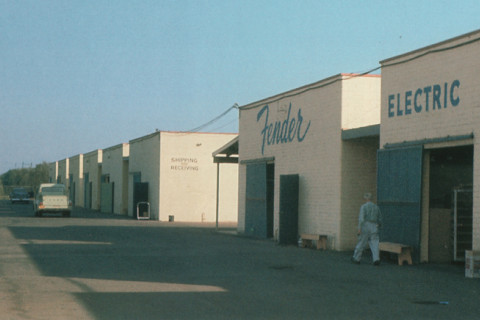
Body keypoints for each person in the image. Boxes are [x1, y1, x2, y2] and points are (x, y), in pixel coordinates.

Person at [351, 192, 382, 265]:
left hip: (365, 225)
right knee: (375, 242)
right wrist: (379, 225)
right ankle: (376, 258)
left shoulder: (363, 207)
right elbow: (380, 218)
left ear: (365, 198)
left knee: (362, 242)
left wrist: (359, 229)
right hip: (374, 225)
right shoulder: (376, 207)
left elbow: (361, 219)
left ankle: (356, 258)